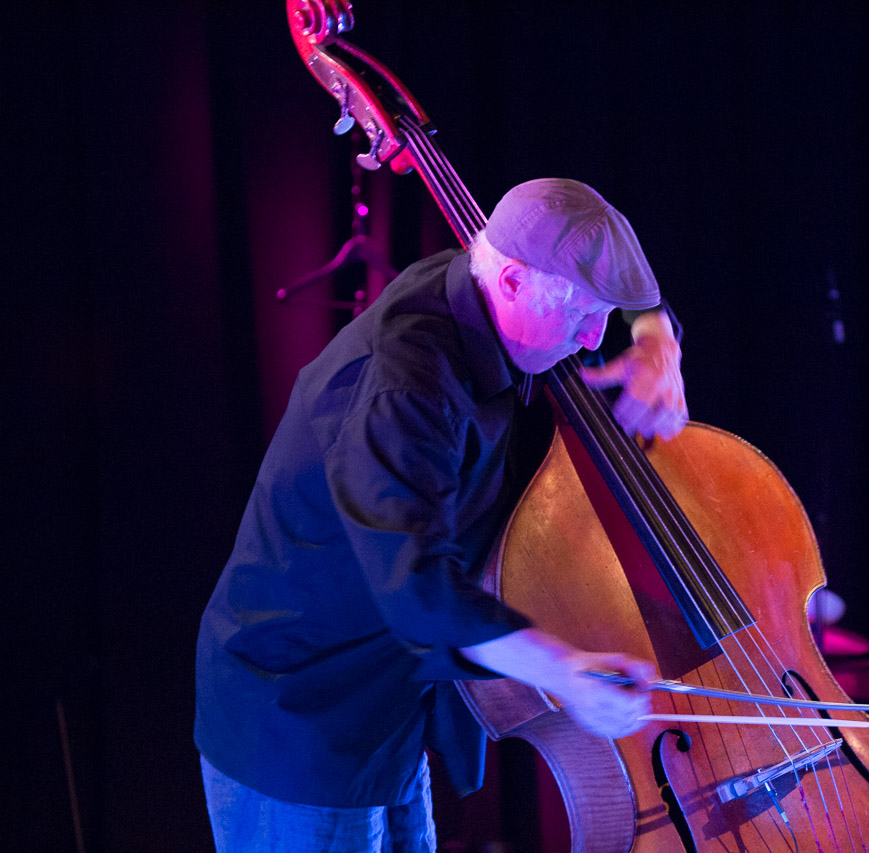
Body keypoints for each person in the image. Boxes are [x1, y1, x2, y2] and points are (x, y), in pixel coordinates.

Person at [194, 178, 688, 852]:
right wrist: (564, 671)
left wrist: (657, 336)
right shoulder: (407, 384)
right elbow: (420, 590)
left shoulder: (488, 292)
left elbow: (626, 301)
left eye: (605, 316)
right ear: (511, 281)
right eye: (580, 314)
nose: (595, 338)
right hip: (301, 715)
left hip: (392, 706)